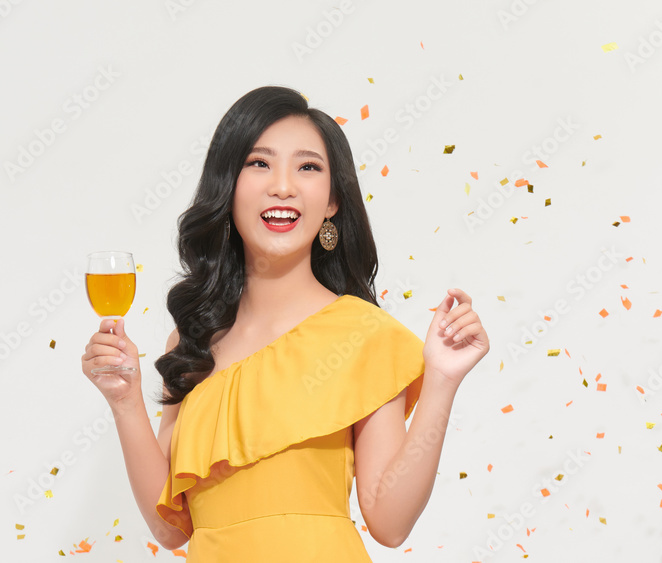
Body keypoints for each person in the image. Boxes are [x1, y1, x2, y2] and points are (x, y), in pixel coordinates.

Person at [80, 86, 489, 561]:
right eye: (259, 163)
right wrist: (125, 399)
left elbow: (390, 523)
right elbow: (171, 530)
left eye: (308, 167)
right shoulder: (191, 339)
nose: (283, 186)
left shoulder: (363, 334)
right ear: (228, 186)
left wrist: (441, 381)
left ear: (333, 200)